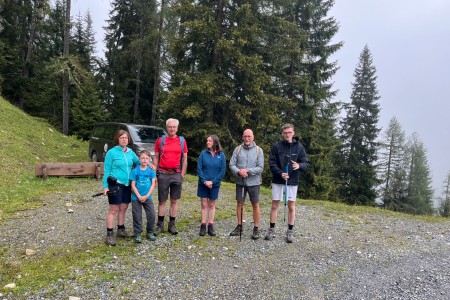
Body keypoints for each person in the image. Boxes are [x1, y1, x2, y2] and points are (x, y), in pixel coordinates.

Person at [265, 123, 308, 243]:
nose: (287, 134)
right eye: (285, 133)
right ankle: (271, 229)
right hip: (278, 180)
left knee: (291, 206)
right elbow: (272, 163)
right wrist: (280, 173)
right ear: (282, 134)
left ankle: (290, 231)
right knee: (274, 205)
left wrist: (299, 165)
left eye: (289, 132)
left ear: (293, 133)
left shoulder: (299, 147)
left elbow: (305, 164)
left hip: (292, 181)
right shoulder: (276, 146)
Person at [103, 130, 140, 246]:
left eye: (126, 138)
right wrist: (105, 186)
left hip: (127, 184)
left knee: (123, 207)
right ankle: (109, 234)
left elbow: (139, 162)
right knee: (114, 209)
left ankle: (121, 230)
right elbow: (107, 170)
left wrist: (148, 165)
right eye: (122, 138)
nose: (124, 139)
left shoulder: (130, 152)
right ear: (117, 139)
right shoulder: (111, 152)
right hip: (115, 184)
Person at [152, 118, 188, 235]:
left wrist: (182, 174)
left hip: (176, 174)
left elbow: (185, 158)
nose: (172, 129)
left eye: (174, 127)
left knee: (174, 200)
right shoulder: (160, 140)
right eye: (170, 127)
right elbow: (156, 157)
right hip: (163, 174)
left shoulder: (182, 141)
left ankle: (172, 224)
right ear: (166, 128)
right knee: (162, 201)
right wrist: (154, 173)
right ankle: (160, 225)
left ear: (177, 128)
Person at [229, 129, 264, 240]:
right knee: (240, 203)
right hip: (240, 182)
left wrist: (247, 171)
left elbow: (260, 168)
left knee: (255, 204)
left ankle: (256, 228)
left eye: (249, 136)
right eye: (245, 136)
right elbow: (232, 164)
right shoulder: (238, 149)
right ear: (242, 137)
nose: (247, 138)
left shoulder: (259, 150)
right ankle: (239, 226)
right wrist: (239, 172)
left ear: (253, 137)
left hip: (254, 182)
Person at [197, 135, 226, 236]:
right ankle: (203, 225)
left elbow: (222, 171)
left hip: (215, 184)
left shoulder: (221, 155)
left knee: (212, 204)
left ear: (215, 142)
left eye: (209, 141)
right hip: (203, 183)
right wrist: (205, 181)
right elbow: (199, 169)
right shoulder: (203, 154)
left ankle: (210, 225)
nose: (207, 142)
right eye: (207, 140)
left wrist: (213, 182)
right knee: (204, 205)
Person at [130, 150, 157, 243]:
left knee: (152, 215)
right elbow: (133, 185)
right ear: (139, 159)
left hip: (148, 197)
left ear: (149, 159)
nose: (144, 160)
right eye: (142, 158)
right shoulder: (135, 171)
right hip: (136, 198)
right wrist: (138, 196)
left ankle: (150, 232)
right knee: (137, 216)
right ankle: (137, 234)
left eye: (146, 158)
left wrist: (146, 196)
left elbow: (153, 184)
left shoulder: (151, 171)